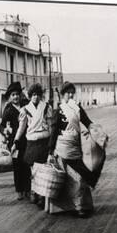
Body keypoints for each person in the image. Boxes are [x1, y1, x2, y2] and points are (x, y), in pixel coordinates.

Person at [48, 81, 103, 218]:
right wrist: (50, 151)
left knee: (80, 179)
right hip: (62, 148)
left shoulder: (78, 108)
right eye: (68, 93)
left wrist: (94, 132)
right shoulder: (58, 110)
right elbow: (54, 132)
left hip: (75, 147)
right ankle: (65, 207)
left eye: (72, 93)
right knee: (67, 179)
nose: (71, 95)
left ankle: (82, 206)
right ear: (62, 94)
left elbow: (88, 122)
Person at [12, 83, 53, 206]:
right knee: (33, 170)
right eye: (33, 95)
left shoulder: (46, 107)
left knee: (43, 169)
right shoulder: (24, 110)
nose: (35, 97)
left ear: (41, 96)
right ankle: (34, 192)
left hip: (44, 141)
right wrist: (15, 141)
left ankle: (42, 195)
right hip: (31, 142)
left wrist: (52, 143)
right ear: (30, 96)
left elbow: (51, 126)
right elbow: (21, 128)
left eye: (38, 95)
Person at [1, 82, 30, 200]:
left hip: (27, 140)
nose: (15, 97)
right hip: (14, 143)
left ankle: (27, 189)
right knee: (17, 166)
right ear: (9, 96)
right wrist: (6, 131)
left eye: (17, 94)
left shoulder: (26, 105)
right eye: (13, 95)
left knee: (26, 165)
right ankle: (19, 190)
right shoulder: (8, 109)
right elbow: (2, 125)